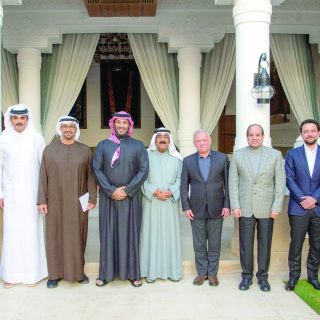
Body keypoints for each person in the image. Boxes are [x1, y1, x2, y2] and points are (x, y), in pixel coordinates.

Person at [38, 116, 97, 289]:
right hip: (54, 200)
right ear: (60, 129)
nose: (68, 129)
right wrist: (42, 200)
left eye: (71, 126)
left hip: (79, 201)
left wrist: (92, 198)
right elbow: (42, 177)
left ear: (76, 129)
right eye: (64, 126)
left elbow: (90, 176)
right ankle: (54, 274)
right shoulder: (49, 150)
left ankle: (78, 273)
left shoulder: (85, 150)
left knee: (78, 235)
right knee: (54, 235)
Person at [93, 111, 148, 287]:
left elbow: (143, 170)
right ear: (113, 124)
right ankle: (106, 274)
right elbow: (97, 170)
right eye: (119, 123)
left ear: (130, 125)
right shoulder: (102, 146)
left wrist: (127, 190)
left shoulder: (139, 146)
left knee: (131, 234)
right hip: (108, 197)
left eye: (125, 123)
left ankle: (133, 273)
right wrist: (111, 190)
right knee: (107, 234)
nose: (122, 126)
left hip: (131, 198)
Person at [229, 124, 285, 292]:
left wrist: (277, 206)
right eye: (251, 135)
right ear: (247, 137)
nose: (254, 137)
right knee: (245, 245)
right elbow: (233, 182)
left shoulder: (275, 155)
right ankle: (246, 277)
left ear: (263, 136)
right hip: (244, 208)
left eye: (257, 135)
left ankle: (263, 277)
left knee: (265, 244)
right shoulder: (238, 155)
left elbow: (280, 183)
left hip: (267, 208)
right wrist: (235, 206)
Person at [0, 104, 48, 288]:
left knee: (31, 232)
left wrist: (43, 196)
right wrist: (1, 193)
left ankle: (33, 274)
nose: (19, 122)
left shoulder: (36, 138)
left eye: (22, 118)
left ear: (28, 119)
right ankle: (10, 274)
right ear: (10, 120)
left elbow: (44, 169)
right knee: (12, 233)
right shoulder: (3, 138)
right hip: (10, 195)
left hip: (32, 195)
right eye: (15, 118)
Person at [180, 129, 230, 286]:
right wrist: (185, 207)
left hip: (217, 206)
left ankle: (213, 274)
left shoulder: (222, 158)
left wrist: (227, 205)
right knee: (199, 243)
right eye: (198, 141)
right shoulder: (188, 161)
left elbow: (229, 184)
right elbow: (183, 186)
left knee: (214, 243)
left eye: (204, 140)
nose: (201, 143)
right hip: (195, 208)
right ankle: (202, 273)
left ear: (209, 142)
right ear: (194, 143)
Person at [140, 128, 183, 283]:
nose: (163, 139)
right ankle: (149, 272)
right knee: (150, 235)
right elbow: (141, 177)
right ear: (154, 140)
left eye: (166, 137)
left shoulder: (177, 158)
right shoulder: (145, 156)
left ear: (170, 140)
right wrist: (154, 191)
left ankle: (172, 271)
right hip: (151, 202)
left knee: (169, 236)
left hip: (169, 204)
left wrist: (171, 191)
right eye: (159, 137)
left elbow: (181, 178)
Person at [285, 119, 320, 291]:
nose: (310, 134)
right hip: (298, 208)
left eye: (313, 131)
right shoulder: (293, 154)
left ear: (318, 133)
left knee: (317, 244)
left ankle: (313, 276)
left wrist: (314, 198)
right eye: (306, 131)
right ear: (301, 134)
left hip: (318, 207)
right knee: (296, 244)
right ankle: (294, 277)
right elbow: (289, 179)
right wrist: (303, 199)